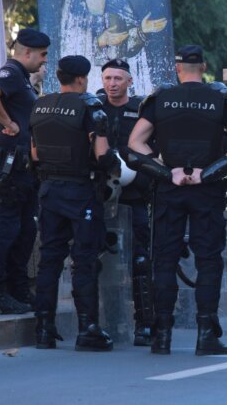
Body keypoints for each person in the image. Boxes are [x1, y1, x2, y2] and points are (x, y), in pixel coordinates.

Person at [126, 45, 227, 355]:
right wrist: (205, 174)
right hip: (205, 189)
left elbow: (134, 144)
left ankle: (162, 335)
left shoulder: (161, 99)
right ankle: (206, 334)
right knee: (209, 260)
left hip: (170, 188)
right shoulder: (220, 100)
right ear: (204, 67)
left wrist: (166, 172)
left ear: (178, 68)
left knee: (164, 260)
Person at [30, 55, 115, 351]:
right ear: (81, 79)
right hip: (80, 191)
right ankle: (88, 329)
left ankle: (43, 328)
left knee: (49, 259)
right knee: (84, 260)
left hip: (49, 190)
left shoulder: (40, 105)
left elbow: (36, 155)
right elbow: (103, 154)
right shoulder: (90, 106)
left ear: (59, 76)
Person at [0, 28, 50, 314]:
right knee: (6, 227)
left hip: (23, 165)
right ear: (27, 52)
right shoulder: (10, 72)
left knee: (25, 228)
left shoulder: (21, 77)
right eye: (42, 55)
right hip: (11, 164)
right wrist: (8, 122)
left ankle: (18, 288)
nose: (44, 61)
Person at [97, 58, 155, 346]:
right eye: (107, 78)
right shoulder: (95, 108)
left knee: (140, 260)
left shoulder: (142, 110)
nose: (112, 84)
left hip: (134, 198)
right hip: (102, 197)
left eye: (118, 78)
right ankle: (112, 322)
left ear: (129, 81)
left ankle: (144, 325)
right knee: (103, 261)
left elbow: (154, 150)